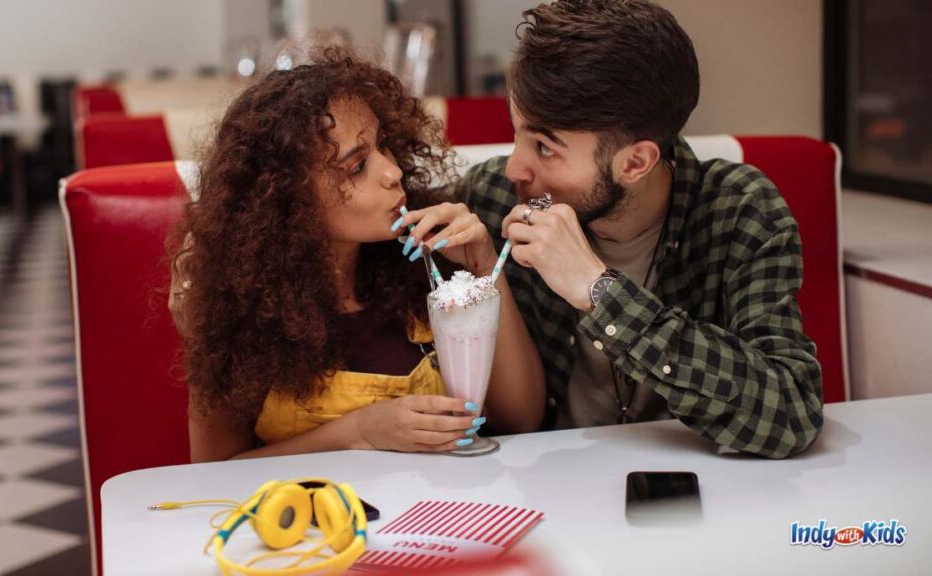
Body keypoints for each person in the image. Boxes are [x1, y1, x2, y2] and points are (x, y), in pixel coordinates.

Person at [447, 0, 823, 458]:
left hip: (705, 494)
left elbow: (791, 413)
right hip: (542, 485)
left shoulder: (738, 209)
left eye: (544, 148)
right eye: (517, 134)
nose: (515, 168)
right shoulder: (489, 200)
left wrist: (599, 291)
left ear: (635, 162)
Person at [168, 48, 544, 462]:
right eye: (357, 166)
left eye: (383, 145)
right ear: (287, 198)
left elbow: (520, 420)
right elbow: (213, 469)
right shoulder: (238, 307)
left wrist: (484, 266)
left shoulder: (427, 263)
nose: (393, 171)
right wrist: (360, 432)